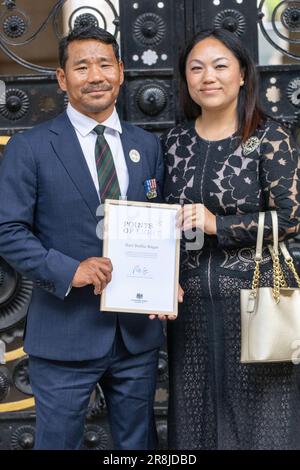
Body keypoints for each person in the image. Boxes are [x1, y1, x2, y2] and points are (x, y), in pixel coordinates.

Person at [0, 26, 165, 450]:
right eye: (81, 66)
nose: (95, 75)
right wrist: (68, 269)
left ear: (121, 72)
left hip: (135, 337)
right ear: (61, 78)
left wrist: (166, 279)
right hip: (64, 334)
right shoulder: (29, 148)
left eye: (105, 64)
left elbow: (158, 227)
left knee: (137, 447)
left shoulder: (146, 146)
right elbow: (8, 230)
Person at [162, 28, 300, 450]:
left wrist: (216, 226)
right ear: (185, 78)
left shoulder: (270, 138)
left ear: (242, 74)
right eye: (196, 67)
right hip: (192, 313)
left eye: (221, 66)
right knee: (195, 421)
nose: (209, 76)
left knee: (264, 426)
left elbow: (292, 219)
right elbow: (162, 223)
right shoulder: (174, 141)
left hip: (258, 302)